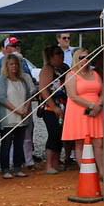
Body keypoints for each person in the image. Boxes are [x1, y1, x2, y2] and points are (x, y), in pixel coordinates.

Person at [61, 48, 104, 173]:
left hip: (96, 111)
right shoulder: (71, 75)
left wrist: (98, 106)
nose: (85, 60)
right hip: (79, 112)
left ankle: (102, 172)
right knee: (80, 143)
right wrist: (92, 106)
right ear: (76, 59)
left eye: (87, 57)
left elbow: (102, 92)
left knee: (98, 142)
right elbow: (73, 96)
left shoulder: (95, 74)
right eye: (82, 57)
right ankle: (85, 172)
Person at [0, 53, 32, 179]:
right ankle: (5, 168)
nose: (14, 66)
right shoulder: (2, 79)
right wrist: (17, 110)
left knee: (19, 143)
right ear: (6, 66)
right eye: (11, 64)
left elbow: (28, 96)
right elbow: (2, 98)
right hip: (8, 117)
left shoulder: (22, 80)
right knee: (6, 143)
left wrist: (25, 109)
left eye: (16, 64)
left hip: (21, 117)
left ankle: (17, 167)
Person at [37, 45, 68, 174]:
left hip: (63, 105)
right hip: (50, 107)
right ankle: (49, 163)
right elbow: (43, 90)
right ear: (51, 56)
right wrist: (54, 107)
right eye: (57, 53)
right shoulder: (47, 69)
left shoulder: (65, 67)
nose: (61, 55)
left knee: (61, 134)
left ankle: (56, 161)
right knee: (54, 133)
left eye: (61, 52)